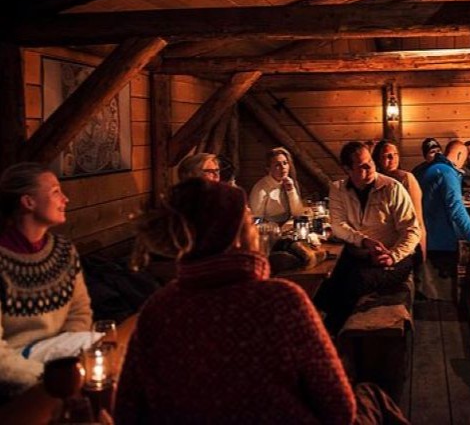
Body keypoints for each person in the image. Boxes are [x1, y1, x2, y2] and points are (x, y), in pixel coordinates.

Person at [118, 178, 408, 424]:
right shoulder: (281, 302)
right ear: (235, 236)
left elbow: (127, 411)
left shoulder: (158, 309)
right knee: (373, 397)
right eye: (247, 219)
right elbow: (340, 410)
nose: (255, 226)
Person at [0, 163, 92, 398]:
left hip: (60, 354)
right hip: (18, 365)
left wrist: (69, 361)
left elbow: (80, 313)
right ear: (28, 202)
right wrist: (48, 377)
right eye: (55, 191)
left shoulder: (63, 251)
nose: (65, 198)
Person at [322, 142, 421, 333]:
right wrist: (364, 241)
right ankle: (330, 334)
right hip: (360, 254)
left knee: (355, 282)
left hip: (394, 258)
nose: (370, 167)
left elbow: (412, 230)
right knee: (326, 286)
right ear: (347, 169)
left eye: (370, 162)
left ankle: (332, 336)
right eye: (362, 165)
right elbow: (338, 226)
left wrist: (393, 255)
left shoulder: (392, 188)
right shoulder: (338, 189)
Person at [419, 140, 470, 300]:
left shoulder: (434, 169)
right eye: (464, 158)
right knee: (442, 294)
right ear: (459, 154)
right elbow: (456, 206)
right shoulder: (446, 172)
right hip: (440, 238)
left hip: (431, 236)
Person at [372, 140, 426, 260]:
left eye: (395, 154)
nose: (392, 158)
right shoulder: (375, 182)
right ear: (378, 160)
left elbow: (417, 219)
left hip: (404, 243)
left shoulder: (406, 178)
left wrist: (421, 247)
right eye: (387, 156)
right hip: (381, 242)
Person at [248, 147, 304, 226]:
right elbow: (256, 219)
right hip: (269, 231)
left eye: (285, 163)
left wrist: (291, 191)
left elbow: (298, 213)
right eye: (278, 164)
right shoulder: (260, 188)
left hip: (288, 228)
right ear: (268, 168)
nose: (283, 167)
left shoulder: (289, 182)